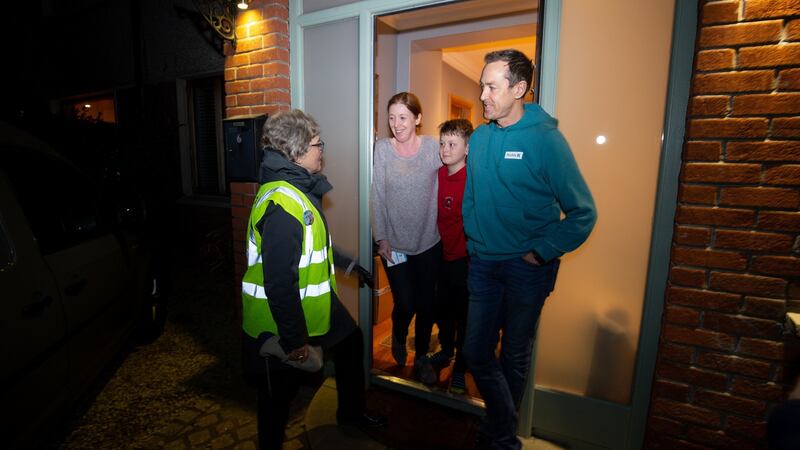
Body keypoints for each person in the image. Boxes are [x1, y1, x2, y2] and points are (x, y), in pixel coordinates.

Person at [461, 49, 597, 450]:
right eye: (481, 85)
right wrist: (475, 240)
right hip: (484, 264)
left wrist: (541, 252)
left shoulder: (546, 140)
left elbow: (582, 213)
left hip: (527, 268)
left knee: (514, 356)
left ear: (518, 89)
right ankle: (504, 432)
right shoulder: (481, 136)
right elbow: (472, 197)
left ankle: (498, 435)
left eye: (491, 86)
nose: (482, 94)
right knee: (475, 351)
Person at [241, 109, 385, 450]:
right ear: (297, 150)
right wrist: (294, 343)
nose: (323, 150)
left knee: (352, 344)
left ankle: (351, 414)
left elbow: (314, 247)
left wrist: (350, 266)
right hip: (278, 322)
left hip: (314, 305)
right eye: (319, 144)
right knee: (277, 399)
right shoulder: (283, 205)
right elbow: (279, 285)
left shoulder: (298, 190)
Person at [371, 92, 442, 385]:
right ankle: (399, 336)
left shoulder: (433, 148)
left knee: (427, 305)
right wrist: (381, 238)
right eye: (391, 117)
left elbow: (458, 165)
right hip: (395, 245)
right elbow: (377, 197)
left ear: (417, 119)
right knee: (405, 303)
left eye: (403, 117)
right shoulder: (382, 149)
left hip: (428, 242)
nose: (396, 124)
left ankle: (423, 356)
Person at [429, 118, 473, 394]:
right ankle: (446, 351)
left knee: (464, 316)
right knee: (441, 310)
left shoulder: (473, 180)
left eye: (452, 144)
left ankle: (462, 365)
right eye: (442, 143)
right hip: (439, 258)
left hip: (466, 260)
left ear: (467, 148)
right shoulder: (436, 176)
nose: (445, 149)